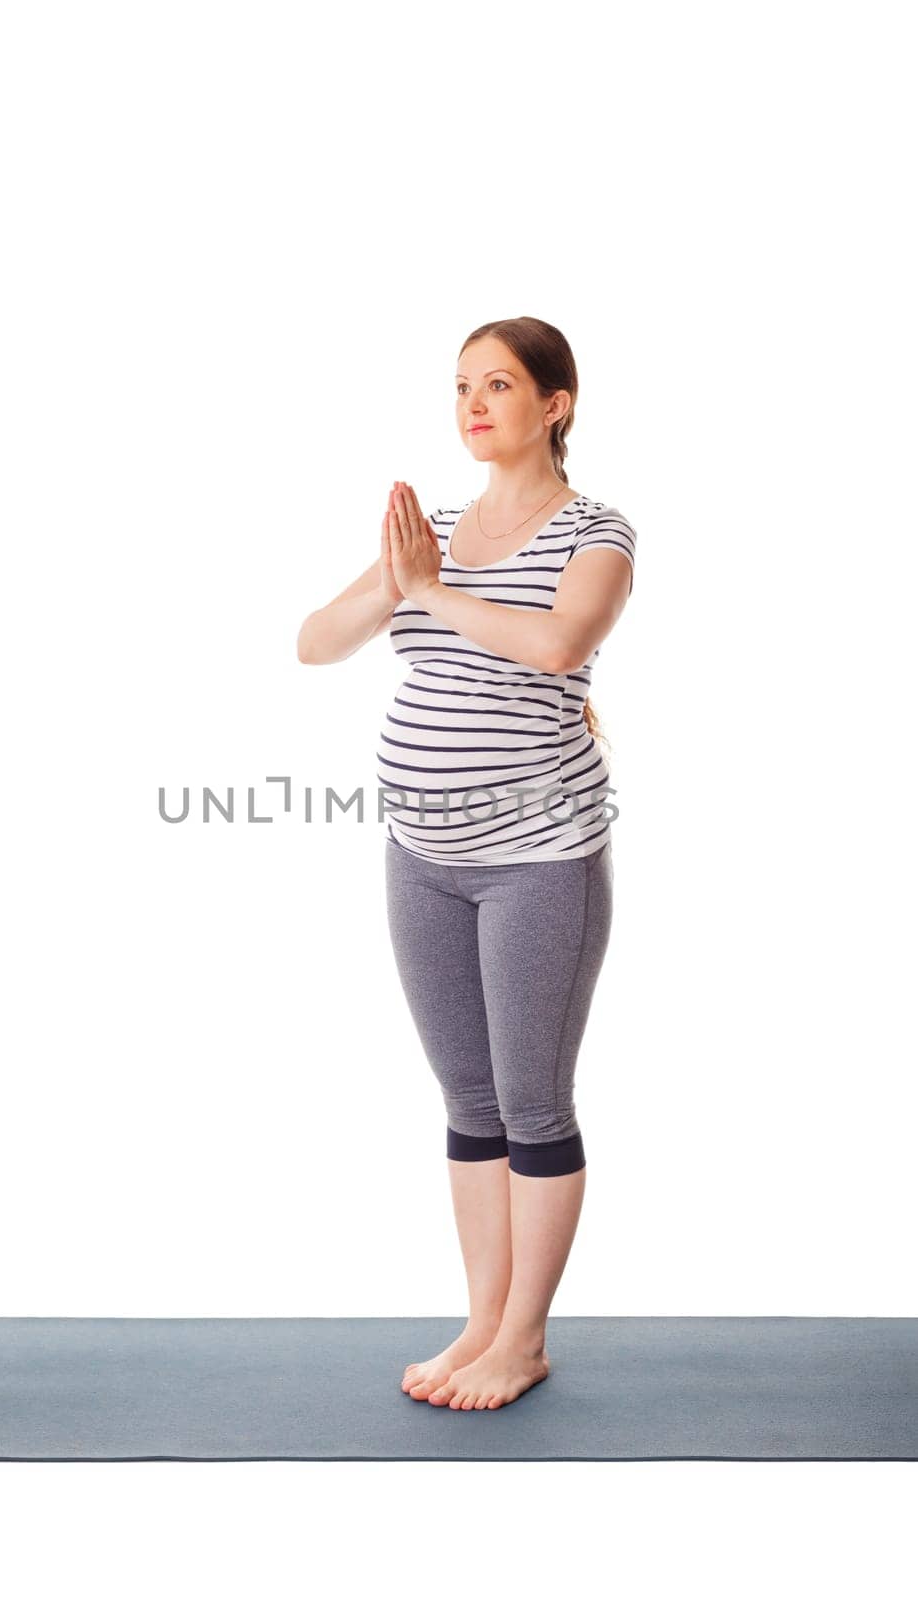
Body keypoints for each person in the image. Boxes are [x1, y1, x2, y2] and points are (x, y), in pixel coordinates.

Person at [296, 316, 636, 1411]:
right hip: (421, 854)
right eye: (458, 387)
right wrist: (401, 576)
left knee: (532, 1104)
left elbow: (556, 645)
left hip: (538, 860)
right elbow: (315, 639)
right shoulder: (431, 532)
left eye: (498, 384)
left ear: (555, 404)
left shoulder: (595, 531)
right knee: (467, 1099)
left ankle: (524, 1339)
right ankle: (482, 1323)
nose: (472, 404)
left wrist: (430, 590)